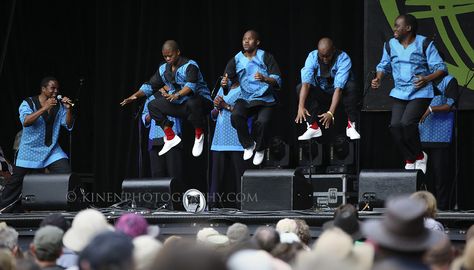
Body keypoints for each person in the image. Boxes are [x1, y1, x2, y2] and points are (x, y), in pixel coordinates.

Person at [371, 14, 447, 174]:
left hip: (421, 92)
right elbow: (383, 65)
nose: (394, 29)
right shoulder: (390, 45)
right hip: (400, 92)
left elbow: (441, 68)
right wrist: (378, 78)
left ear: (408, 28)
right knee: (395, 127)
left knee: (407, 124)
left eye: (397, 26)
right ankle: (410, 158)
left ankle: (419, 156)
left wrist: (427, 79)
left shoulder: (425, 43)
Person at [121, 40, 212, 157]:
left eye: (170, 55)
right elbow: (150, 86)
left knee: (193, 102)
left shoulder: (190, 65)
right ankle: (170, 136)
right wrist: (134, 96)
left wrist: (177, 95)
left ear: (178, 52)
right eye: (165, 56)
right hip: (181, 104)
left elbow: (190, 86)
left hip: (201, 103)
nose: (168, 58)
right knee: (152, 105)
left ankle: (199, 134)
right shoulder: (163, 69)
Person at [0, 77, 73, 212]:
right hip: (30, 149)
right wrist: (44, 108)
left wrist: (68, 109)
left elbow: (68, 125)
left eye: (57, 88)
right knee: (16, 181)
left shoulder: (59, 105)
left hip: (51, 149)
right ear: (43, 89)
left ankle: (66, 207)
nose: (56, 91)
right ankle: (3, 208)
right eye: (52, 88)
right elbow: (26, 121)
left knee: (66, 174)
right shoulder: (28, 103)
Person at [223, 30, 282, 166]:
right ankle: (249, 145)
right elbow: (228, 80)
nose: (246, 41)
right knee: (236, 116)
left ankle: (260, 148)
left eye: (250, 39)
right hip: (246, 98)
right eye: (244, 39)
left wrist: (265, 78)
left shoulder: (266, 57)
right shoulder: (236, 59)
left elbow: (277, 79)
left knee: (262, 123)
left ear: (257, 42)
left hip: (265, 99)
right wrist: (225, 84)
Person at [295, 37, 361, 141]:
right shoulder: (312, 57)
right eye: (322, 56)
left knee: (351, 86)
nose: (325, 59)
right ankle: (313, 127)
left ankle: (351, 125)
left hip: (340, 94)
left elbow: (338, 88)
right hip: (322, 92)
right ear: (318, 52)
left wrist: (330, 112)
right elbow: (306, 84)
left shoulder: (343, 58)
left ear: (333, 50)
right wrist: (300, 106)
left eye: (328, 56)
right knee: (299, 88)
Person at [419, 75, 457, 210]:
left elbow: (450, 105)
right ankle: (421, 210)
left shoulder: (449, 81)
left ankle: (441, 211)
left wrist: (431, 109)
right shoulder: (422, 80)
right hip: (421, 134)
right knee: (421, 176)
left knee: (440, 176)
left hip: (440, 136)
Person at [209, 85, 248, 208]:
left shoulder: (245, 89)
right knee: (216, 177)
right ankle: (212, 205)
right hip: (220, 139)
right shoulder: (221, 89)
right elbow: (214, 114)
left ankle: (243, 205)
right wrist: (216, 107)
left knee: (240, 177)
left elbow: (245, 112)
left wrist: (225, 105)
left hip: (237, 139)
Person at [141, 83, 184, 179]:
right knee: (157, 175)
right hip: (155, 138)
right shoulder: (152, 96)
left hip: (173, 136)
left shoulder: (178, 92)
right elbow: (144, 116)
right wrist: (152, 113)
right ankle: (159, 195)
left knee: (174, 175)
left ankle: (175, 194)